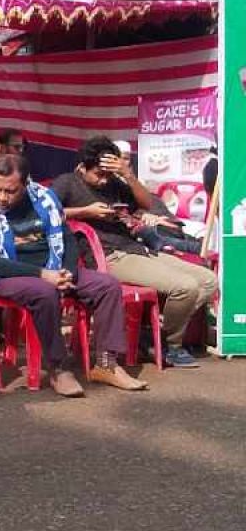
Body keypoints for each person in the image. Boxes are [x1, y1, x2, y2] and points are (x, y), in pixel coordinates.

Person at [0, 155, 147, 394]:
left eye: (10, 191)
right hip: (6, 276)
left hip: (54, 269)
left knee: (107, 285)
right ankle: (58, 368)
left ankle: (106, 364)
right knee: (44, 292)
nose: (2, 197)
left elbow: (68, 239)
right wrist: (43, 274)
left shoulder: (45, 200)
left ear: (25, 184)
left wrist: (68, 273)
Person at [52, 136, 216, 368]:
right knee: (185, 286)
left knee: (208, 280)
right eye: (99, 174)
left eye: (108, 174)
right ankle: (171, 345)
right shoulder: (67, 182)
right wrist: (85, 212)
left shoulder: (113, 183)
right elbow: (46, 213)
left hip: (136, 249)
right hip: (108, 256)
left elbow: (147, 204)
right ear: (82, 167)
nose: (103, 180)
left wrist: (127, 174)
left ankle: (153, 337)